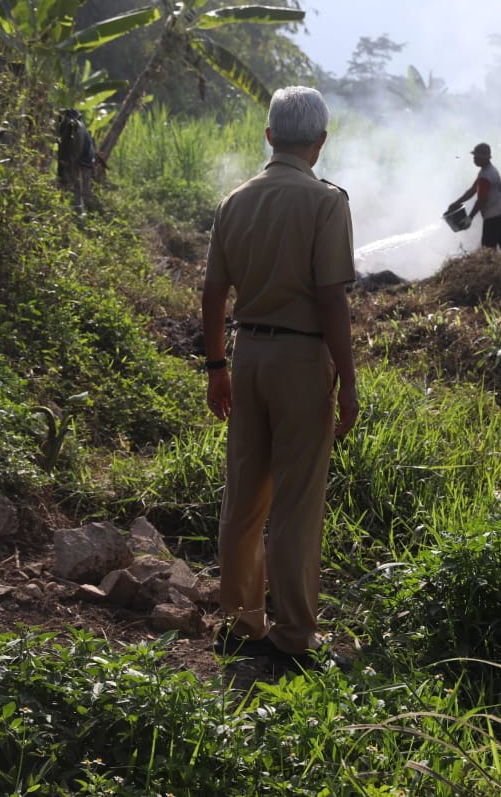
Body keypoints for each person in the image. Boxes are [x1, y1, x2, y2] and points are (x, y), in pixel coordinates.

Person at [200, 86, 358, 670]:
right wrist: (348, 378)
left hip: (247, 356)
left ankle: (241, 619)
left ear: (270, 136)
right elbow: (331, 298)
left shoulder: (234, 202)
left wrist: (217, 366)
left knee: (244, 496)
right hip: (301, 359)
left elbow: (214, 292)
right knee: (295, 502)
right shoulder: (326, 202)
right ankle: (293, 633)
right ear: (319, 142)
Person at [448, 142, 501, 267]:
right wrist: (457, 202)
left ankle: (492, 274)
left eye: (476, 157)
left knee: (488, 249)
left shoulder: (485, 176)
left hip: (495, 217)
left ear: (484, 158)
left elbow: (481, 200)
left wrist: (470, 217)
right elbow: (472, 190)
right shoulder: (489, 170)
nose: (474, 159)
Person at [57, 108, 96, 216]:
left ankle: (78, 214)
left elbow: (77, 147)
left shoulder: (76, 127)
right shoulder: (78, 127)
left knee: (76, 188)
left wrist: (72, 161)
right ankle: (78, 213)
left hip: (80, 162)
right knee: (78, 189)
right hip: (83, 161)